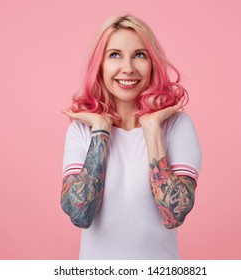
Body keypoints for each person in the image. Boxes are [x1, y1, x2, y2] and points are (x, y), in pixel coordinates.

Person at [60, 14, 201, 260]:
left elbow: (173, 215)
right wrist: (101, 129)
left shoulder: (177, 126)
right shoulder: (82, 131)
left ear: (153, 63)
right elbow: (79, 215)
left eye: (139, 55)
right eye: (115, 54)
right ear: (100, 64)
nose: (128, 68)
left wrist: (151, 128)